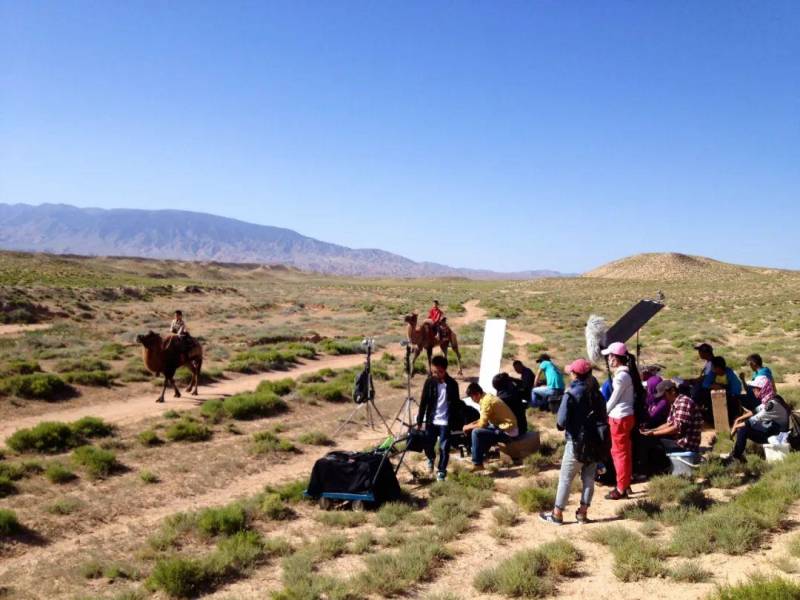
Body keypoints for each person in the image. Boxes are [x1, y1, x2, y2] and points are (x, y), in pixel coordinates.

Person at [539, 358, 607, 525]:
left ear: (576, 375)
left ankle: (557, 514)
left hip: (576, 442)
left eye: (571, 371)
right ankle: (582, 514)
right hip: (595, 442)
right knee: (589, 479)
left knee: (566, 479)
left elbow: (561, 422)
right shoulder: (597, 393)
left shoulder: (571, 394)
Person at [415, 355, 464, 481]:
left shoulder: (453, 384)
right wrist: (420, 421)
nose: (436, 374)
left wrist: (458, 422)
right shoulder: (429, 382)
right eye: (434, 371)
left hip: (445, 422)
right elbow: (423, 402)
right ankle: (431, 458)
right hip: (431, 420)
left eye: (439, 372)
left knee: (444, 447)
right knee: (428, 444)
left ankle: (441, 471)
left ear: (445, 370)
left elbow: (457, 404)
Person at [727, 375, 790, 463]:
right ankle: (737, 454)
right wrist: (738, 420)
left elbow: (752, 420)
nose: (753, 390)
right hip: (773, 430)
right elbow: (755, 411)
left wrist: (735, 427)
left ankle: (736, 457)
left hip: (777, 437)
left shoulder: (772, 405)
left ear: (763, 389)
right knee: (743, 427)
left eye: (756, 388)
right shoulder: (771, 398)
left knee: (743, 429)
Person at [602, 342, 635, 500]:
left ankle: (621, 488)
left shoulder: (620, 377)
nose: (608, 359)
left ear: (616, 358)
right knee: (625, 453)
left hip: (619, 418)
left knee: (618, 454)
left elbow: (613, 400)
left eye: (610, 356)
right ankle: (626, 484)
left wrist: (603, 413)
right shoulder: (625, 375)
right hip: (626, 416)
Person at [463, 382, 518, 471]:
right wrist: (469, 425)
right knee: (482, 430)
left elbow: (482, 424)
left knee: (476, 432)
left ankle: (477, 463)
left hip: (508, 432)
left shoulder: (486, 402)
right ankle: (482, 455)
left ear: (477, 394)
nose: (472, 400)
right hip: (503, 427)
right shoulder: (486, 398)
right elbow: (483, 420)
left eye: (472, 397)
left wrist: (468, 427)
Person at [640, 380, 703, 454]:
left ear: (672, 391)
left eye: (664, 396)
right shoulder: (675, 403)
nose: (663, 399)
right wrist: (652, 430)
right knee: (651, 439)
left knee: (652, 444)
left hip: (685, 445)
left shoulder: (683, 402)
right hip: (680, 442)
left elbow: (676, 428)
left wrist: (653, 433)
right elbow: (669, 423)